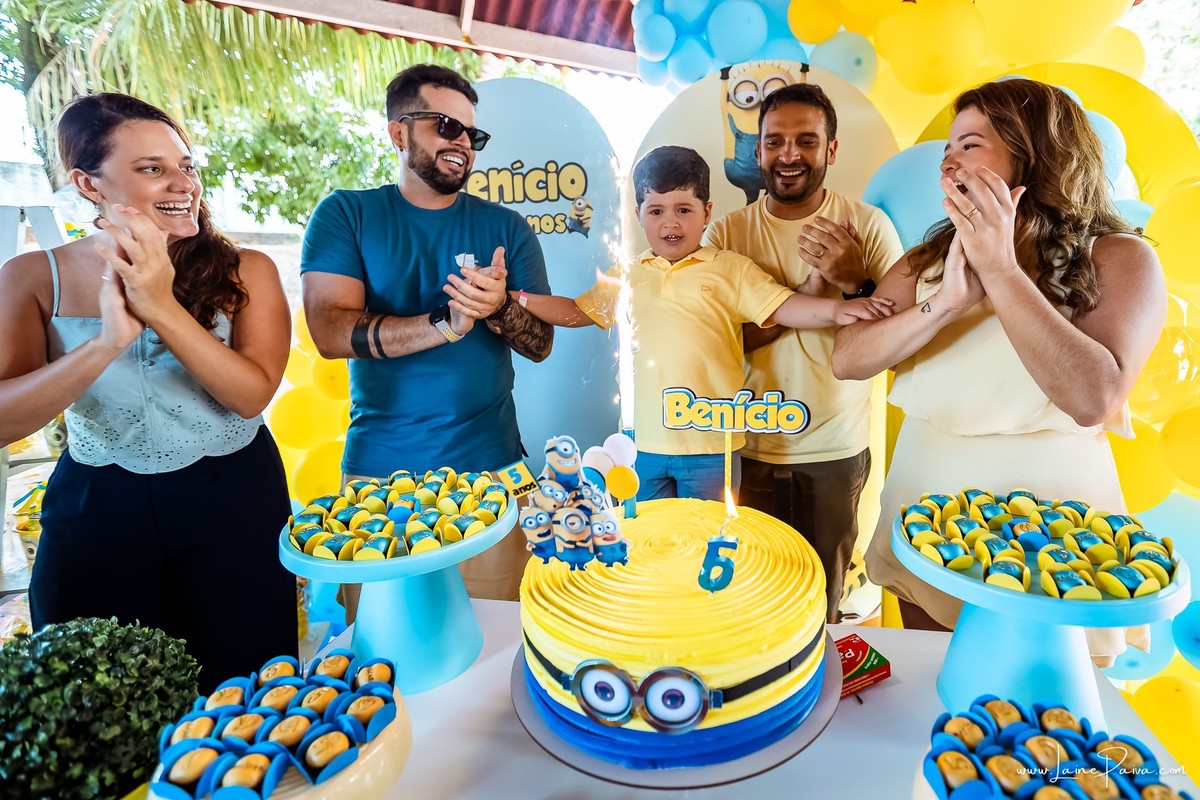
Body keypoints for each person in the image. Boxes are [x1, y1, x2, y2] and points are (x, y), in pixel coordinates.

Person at [831, 79, 1165, 660]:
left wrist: (1002, 270)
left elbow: (1095, 397)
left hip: (1055, 532)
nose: (948, 162)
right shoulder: (926, 259)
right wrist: (944, 304)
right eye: (947, 150)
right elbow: (848, 357)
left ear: (1034, 151)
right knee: (931, 685)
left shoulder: (1120, 256)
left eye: (969, 145)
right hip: (925, 507)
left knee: (1046, 704)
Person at [0, 93, 297, 691]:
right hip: (97, 506)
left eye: (185, 165)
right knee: (101, 695)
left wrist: (160, 306)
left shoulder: (248, 269)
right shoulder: (32, 277)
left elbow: (250, 396)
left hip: (234, 495)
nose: (182, 183)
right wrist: (105, 343)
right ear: (88, 183)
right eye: (151, 168)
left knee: (246, 689)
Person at [301, 64, 553, 607]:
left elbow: (541, 344)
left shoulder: (507, 227)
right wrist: (446, 322)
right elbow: (329, 330)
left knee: (501, 629)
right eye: (446, 125)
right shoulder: (347, 214)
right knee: (380, 643)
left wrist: (499, 308)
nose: (462, 142)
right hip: (380, 477)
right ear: (398, 132)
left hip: (494, 469)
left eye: (472, 134)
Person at [517, 146, 893, 501]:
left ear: (707, 211)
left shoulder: (730, 269)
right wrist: (515, 298)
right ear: (638, 215)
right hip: (640, 445)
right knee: (649, 538)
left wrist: (837, 310)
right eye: (656, 211)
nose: (670, 222)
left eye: (684, 209)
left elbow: (784, 307)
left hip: (713, 445)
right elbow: (576, 311)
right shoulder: (627, 274)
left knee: (707, 536)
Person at [703, 83, 905, 622]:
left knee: (821, 608)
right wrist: (809, 297)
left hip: (835, 453)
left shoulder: (868, 227)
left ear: (831, 149)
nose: (788, 155)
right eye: (774, 141)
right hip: (745, 448)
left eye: (806, 141)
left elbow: (896, 343)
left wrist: (855, 280)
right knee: (746, 606)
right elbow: (716, 343)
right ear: (757, 150)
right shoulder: (725, 235)